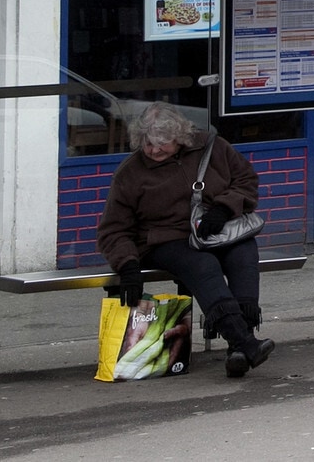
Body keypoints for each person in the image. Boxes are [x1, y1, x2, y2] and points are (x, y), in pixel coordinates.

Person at [96, 103, 276, 377]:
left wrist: (223, 208)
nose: (154, 150)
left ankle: (239, 349)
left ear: (180, 137)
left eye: (162, 143)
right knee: (203, 266)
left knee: (243, 255)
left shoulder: (213, 147)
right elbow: (113, 230)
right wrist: (128, 265)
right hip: (166, 239)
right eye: (147, 143)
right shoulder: (130, 173)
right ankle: (244, 343)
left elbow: (246, 180)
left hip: (218, 228)